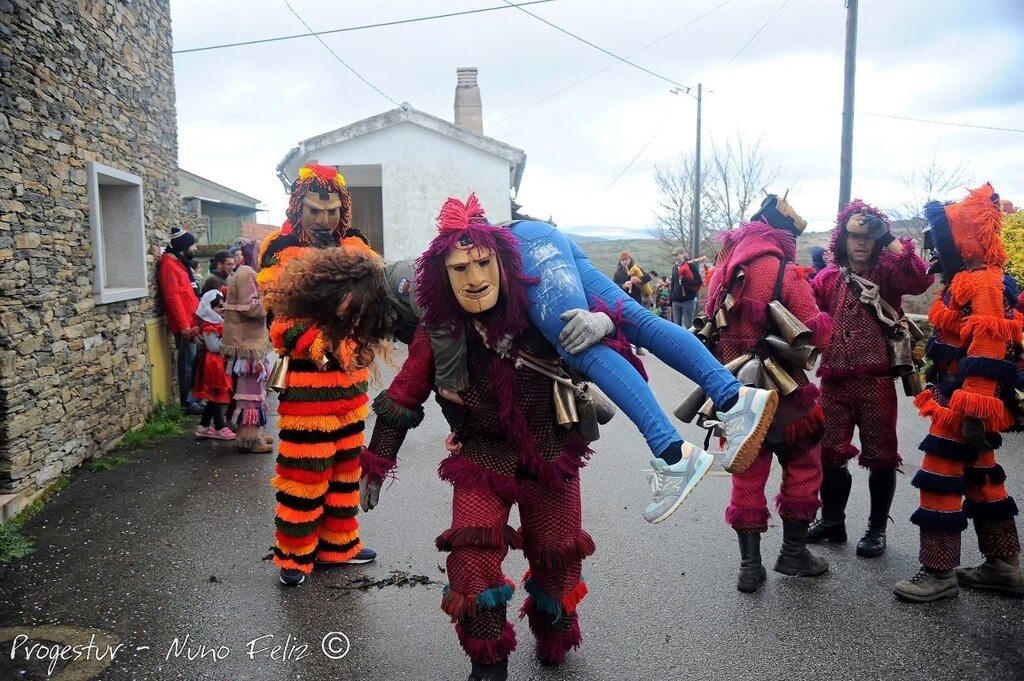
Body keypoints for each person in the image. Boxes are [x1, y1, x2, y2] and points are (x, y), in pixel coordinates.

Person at [355, 196, 600, 680]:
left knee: (556, 557)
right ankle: (488, 660)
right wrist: (377, 463)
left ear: (503, 262)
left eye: (484, 262)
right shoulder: (440, 330)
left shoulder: (544, 310)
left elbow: (617, 343)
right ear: (442, 276)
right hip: (482, 458)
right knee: (470, 560)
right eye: (460, 267)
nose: (474, 277)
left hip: (549, 456)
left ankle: (555, 628)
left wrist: (604, 324)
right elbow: (404, 395)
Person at [257, 163, 388, 586]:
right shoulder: (279, 248)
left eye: (331, 211)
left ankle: (338, 545)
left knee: (346, 466)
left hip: (351, 383)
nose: (324, 220)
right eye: (315, 210)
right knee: (305, 470)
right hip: (307, 383)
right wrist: (319, 342)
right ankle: (294, 556)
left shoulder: (358, 245)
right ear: (298, 208)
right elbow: (278, 318)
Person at [894, 184, 1024, 602]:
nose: (934, 251)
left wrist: (973, 414)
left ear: (962, 241)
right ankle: (1003, 567)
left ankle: (938, 572)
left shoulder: (979, 283)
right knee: (983, 477)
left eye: (941, 240)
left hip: (962, 406)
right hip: (965, 403)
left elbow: (988, 345)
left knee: (938, 478)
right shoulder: (978, 278)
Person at [704, 193, 833, 593]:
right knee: (804, 466)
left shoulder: (721, 270)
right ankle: (793, 554)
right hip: (787, 395)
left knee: (746, 473)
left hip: (736, 393)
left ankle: (750, 566)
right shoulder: (785, 271)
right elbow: (816, 331)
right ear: (783, 234)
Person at [806, 201, 933, 557]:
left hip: (876, 382)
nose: (860, 243)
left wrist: (888, 236)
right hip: (832, 382)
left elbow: (921, 277)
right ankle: (833, 522)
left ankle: (877, 530)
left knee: (881, 457)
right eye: (854, 235)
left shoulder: (889, 276)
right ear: (842, 240)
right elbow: (804, 308)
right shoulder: (828, 278)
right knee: (830, 454)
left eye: (867, 236)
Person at [221, 265, 274, 454]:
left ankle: (255, 431)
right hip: (247, 348)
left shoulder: (246, 273)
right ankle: (250, 438)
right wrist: (270, 300)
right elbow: (251, 308)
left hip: (250, 346)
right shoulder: (247, 274)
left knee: (256, 392)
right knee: (250, 395)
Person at [158, 226, 203, 414]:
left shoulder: (179, 262)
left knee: (193, 361)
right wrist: (184, 324)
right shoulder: (170, 265)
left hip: (191, 322)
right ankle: (188, 402)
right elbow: (173, 297)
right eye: (192, 245)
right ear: (184, 246)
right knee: (187, 362)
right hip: (185, 325)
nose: (195, 249)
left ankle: (194, 398)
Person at [192, 290, 235, 440]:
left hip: (217, 361)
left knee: (214, 395)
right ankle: (219, 426)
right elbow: (213, 347)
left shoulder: (215, 321)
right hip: (213, 364)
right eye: (218, 307)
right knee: (218, 393)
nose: (220, 309)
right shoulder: (209, 325)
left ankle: (204, 426)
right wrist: (230, 341)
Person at [669, 247, 702, 327]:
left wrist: (685, 281)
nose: (676, 257)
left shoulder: (691, 266)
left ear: (683, 254)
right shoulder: (675, 268)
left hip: (688, 300)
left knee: (688, 324)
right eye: (674, 256)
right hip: (676, 300)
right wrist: (671, 299)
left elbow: (698, 281)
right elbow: (673, 284)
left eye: (677, 255)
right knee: (676, 325)